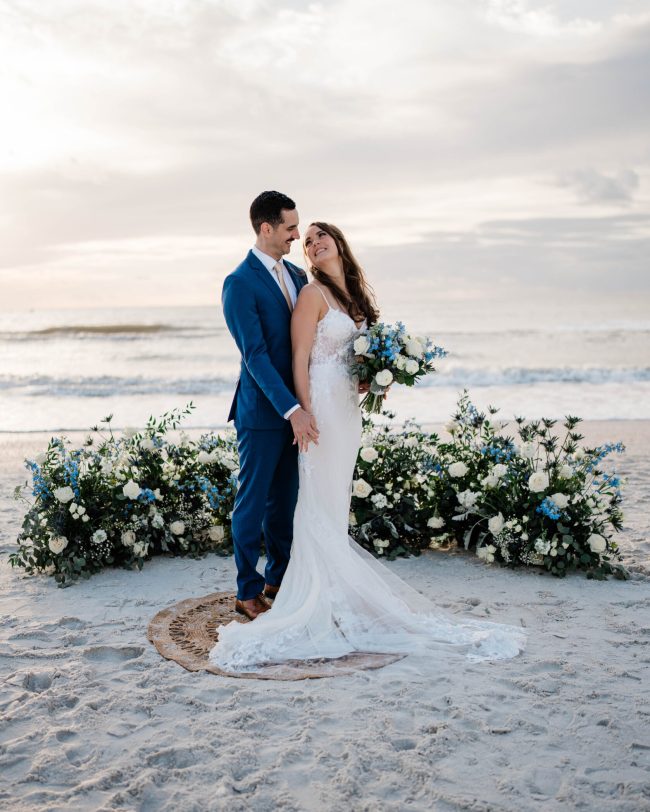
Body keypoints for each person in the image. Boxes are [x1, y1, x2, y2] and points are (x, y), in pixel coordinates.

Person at [210, 221, 526, 673]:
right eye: (299, 230)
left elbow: (346, 351)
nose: (306, 239)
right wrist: (299, 409)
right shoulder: (265, 285)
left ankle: (289, 582)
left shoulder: (315, 285)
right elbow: (271, 355)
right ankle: (249, 590)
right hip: (293, 406)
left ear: (339, 243)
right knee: (263, 497)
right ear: (268, 227)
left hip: (341, 407)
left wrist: (377, 377)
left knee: (313, 497)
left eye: (318, 234)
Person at [221, 191, 317, 621]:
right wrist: (290, 409)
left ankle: (278, 579)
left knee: (286, 500)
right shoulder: (239, 283)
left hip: (297, 410)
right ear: (266, 228)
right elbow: (255, 356)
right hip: (263, 413)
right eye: (290, 228)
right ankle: (246, 589)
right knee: (253, 502)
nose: (297, 235)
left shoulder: (297, 275)